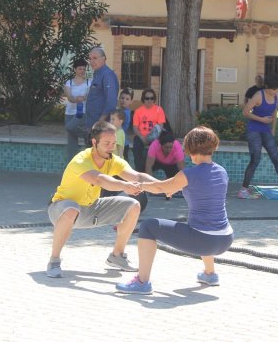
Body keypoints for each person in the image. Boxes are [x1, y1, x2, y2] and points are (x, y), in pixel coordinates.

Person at [115, 126, 233, 294]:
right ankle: (210, 274)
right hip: (225, 239)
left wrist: (138, 186)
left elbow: (158, 187)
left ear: (190, 148)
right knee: (203, 224)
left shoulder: (189, 174)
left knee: (148, 226)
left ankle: (142, 282)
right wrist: (171, 188)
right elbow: (202, 188)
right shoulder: (221, 171)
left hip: (203, 241)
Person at [46, 121, 160, 279]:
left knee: (133, 205)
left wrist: (163, 186)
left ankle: (117, 256)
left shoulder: (113, 160)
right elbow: (99, 179)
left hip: (91, 208)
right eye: (106, 143)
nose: (111, 147)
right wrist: (125, 186)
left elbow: (138, 176)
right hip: (60, 209)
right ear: (94, 142)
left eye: (113, 143)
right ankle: (54, 261)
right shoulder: (81, 160)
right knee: (72, 209)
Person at [237, 74, 278, 198]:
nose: (275, 91)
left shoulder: (275, 95)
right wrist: (261, 119)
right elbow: (245, 112)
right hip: (254, 130)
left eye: (277, 89)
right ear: (267, 87)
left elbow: (274, 112)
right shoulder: (258, 96)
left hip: (266, 130)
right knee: (255, 160)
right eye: (273, 89)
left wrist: (273, 129)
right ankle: (243, 190)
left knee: (276, 158)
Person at [85, 47, 119, 132]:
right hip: (92, 121)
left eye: (95, 58)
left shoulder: (107, 75)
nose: (92, 61)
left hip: (101, 125)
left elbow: (111, 101)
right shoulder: (97, 73)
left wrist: (100, 122)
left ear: (103, 59)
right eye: (90, 59)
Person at [132, 88, 166, 172]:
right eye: (147, 98)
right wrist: (142, 138)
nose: (149, 100)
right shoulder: (138, 111)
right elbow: (135, 128)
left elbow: (160, 126)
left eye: (152, 98)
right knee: (136, 146)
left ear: (154, 99)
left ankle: (153, 169)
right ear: (143, 99)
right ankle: (139, 171)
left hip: (155, 136)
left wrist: (152, 138)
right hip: (141, 136)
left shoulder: (159, 110)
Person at [64, 58, 90, 160]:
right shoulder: (69, 83)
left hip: (82, 113)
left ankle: (88, 135)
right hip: (69, 113)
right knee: (71, 142)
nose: (82, 71)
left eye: (84, 69)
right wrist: (76, 99)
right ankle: (72, 167)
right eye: (80, 69)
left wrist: (83, 98)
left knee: (69, 128)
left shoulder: (89, 82)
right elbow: (69, 97)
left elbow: (89, 96)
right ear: (75, 69)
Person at [118, 87, 134, 161]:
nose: (124, 100)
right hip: (120, 142)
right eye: (122, 98)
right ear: (119, 98)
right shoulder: (120, 111)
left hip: (122, 143)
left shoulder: (125, 113)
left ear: (131, 101)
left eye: (127, 99)